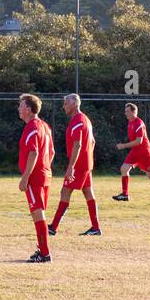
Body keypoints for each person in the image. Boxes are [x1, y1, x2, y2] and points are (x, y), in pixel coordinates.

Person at [49, 93, 100, 237]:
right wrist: (87, 157)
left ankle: (53, 227)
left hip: (79, 165)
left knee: (65, 192)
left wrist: (71, 166)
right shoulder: (85, 119)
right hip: (85, 163)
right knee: (88, 192)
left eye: (66, 103)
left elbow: (78, 144)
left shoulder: (78, 120)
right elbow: (93, 142)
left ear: (74, 104)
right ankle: (95, 227)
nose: (63, 106)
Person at [17, 94, 55, 263]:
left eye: (21, 105)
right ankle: (42, 249)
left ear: (29, 109)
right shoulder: (44, 126)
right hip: (45, 174)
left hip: (35, 177)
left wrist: (25, 177)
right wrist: (44, 166)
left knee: (37, 214)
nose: (19, 108)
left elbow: (34, 152)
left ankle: (45, 253)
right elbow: (52, 152)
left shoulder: (32, 127)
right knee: (39, 213)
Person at [114, 102, 150, 202]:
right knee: (124, 169)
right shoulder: (130, 122)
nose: (125, 113)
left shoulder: (139, 123)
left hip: (144, 152)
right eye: (125, 111)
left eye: (127, 111)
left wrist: (123, 145)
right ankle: (125, 195)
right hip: (135, 151)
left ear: (134, 112)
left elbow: (139, 141)